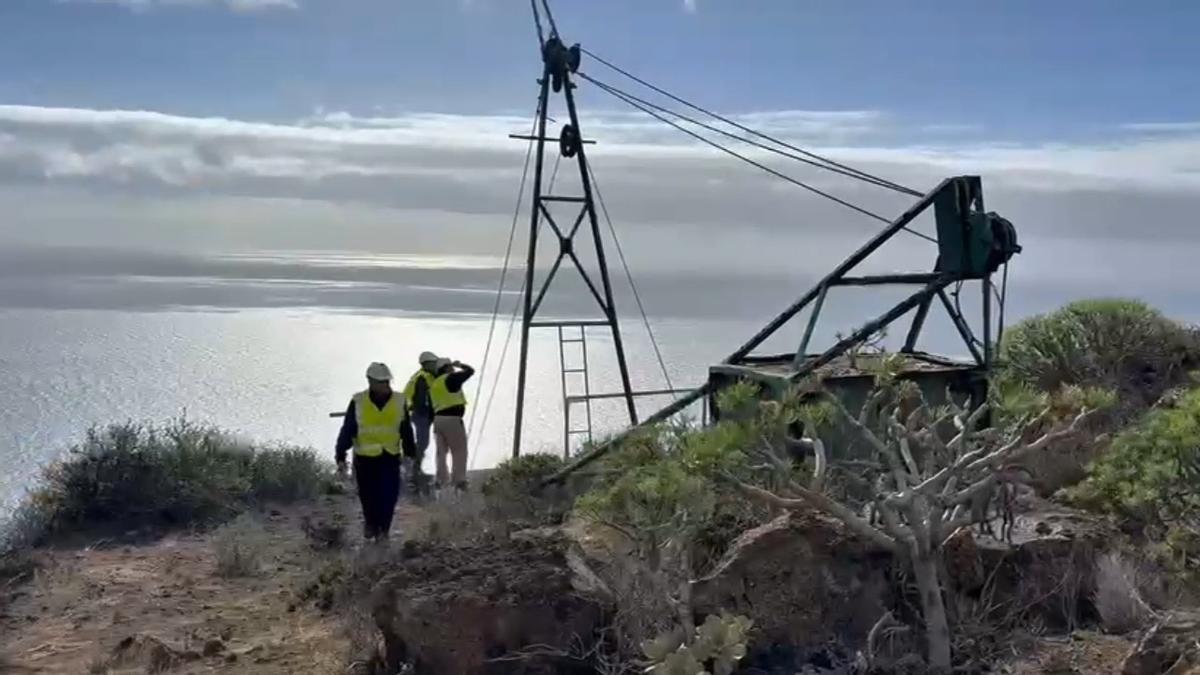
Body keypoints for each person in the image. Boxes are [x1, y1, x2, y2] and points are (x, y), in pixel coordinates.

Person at [335, 362, 415, 542]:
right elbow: (348, 429)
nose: (385, 386)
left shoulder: (399, 400)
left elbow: (406, 430)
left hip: (390, 456)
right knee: (368, 496)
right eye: (381, 382)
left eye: (387, 382)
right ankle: (371, 523)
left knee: (389, 495)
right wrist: (340, 456)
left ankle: (383, 532)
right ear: (370, 382)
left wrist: (410, 454)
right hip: (365, 458)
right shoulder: (358, 401)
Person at [430, 357, 474, 492]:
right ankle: (459, 481)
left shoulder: (435, 384)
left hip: (438, 420)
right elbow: (470, 371)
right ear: (446, 367)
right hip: (452, 420)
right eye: (450, 366)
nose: (453, 369)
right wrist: (461, 364)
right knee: (459, 450)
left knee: (441, 452)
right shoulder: (450, 378)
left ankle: (441, 480)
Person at [402, 351, 440, 499]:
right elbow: (422, 401)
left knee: (423, 442)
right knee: (423, 442)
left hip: (423, 414)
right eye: (433, 363)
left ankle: (413, 467)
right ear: (426, 364)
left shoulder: (429, 375)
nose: (436, 365)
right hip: (420, 414)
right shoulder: (422, 378)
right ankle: (414, 469)